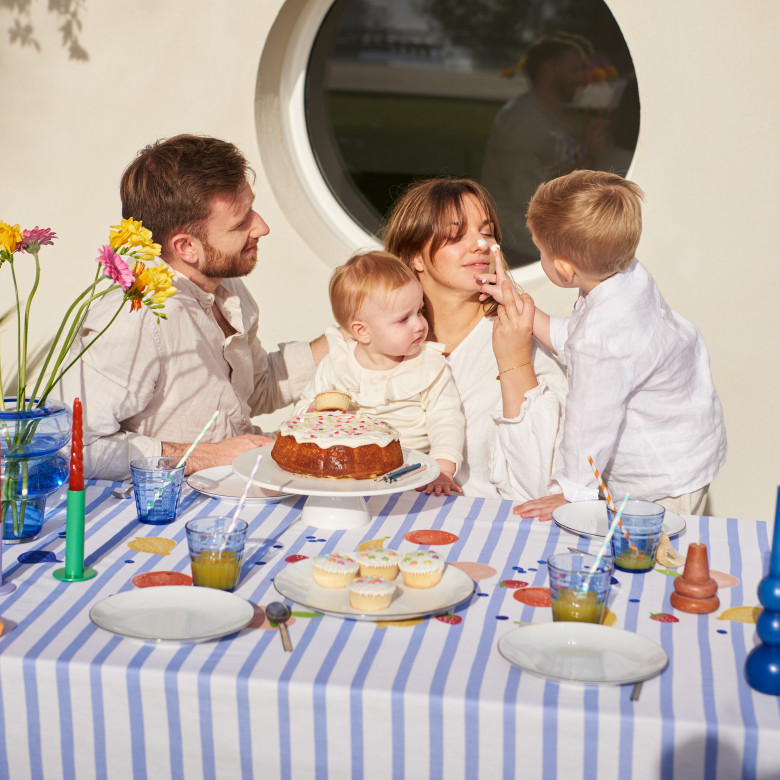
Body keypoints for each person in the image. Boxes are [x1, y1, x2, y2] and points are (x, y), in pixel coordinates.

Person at [56, 134, 327, 481]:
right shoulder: (134, 316)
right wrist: (202, 455)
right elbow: (70, 445)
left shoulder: (227, 286)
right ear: (186, 247)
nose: (262, 227)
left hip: (240, 494)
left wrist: (350, 334)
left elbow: (255, 390)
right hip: (167, 519)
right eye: (241, 221)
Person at [505, 170, 726, 521]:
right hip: (685, 448)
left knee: (652, 565)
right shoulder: (627, 275)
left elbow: (590, 420)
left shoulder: (603, 336)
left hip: (658, 484)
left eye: (541, 253)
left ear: (564, 271)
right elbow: (580, 340)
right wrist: (524, 310)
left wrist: (574, 490)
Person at [380, 178, 567, 500]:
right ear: (415, 257)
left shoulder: (522, 342)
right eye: (455, 236)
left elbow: (538, 488)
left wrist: (514, 361)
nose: (480, 245)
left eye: (486, 231)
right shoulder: (379, 346)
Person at [294, 251, 465, 495]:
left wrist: (443, 469)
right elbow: (302, 410)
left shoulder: (428, 365)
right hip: (347, 472)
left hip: (412, 472)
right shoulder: (337, 365)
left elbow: (447, 420)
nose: (419, 324)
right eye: (403, 319)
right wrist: (310, 414)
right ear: (363, 332)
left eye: (420, 311)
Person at [481, 34, 608, 266]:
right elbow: (530, 196)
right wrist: (588, 157)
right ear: (551, 69)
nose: (582, 78)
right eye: (575, 68)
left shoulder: (548, 116)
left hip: (536, 239)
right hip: (520, 248)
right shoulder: (523, 120)